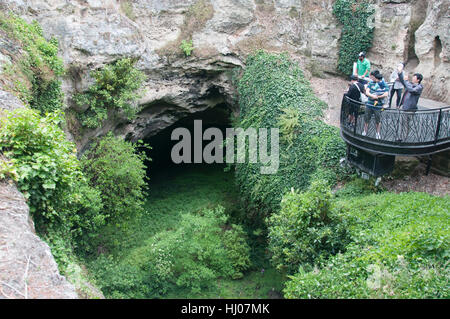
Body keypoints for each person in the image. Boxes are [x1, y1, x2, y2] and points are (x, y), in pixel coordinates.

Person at [397, 64, 424, 140]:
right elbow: (403, 81)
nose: (412, 79)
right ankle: (401, 137)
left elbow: (412, 90)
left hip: (410, 109)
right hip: (405, 107)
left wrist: (406, 81)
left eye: (414, 78)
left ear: (418, 80)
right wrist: (400, 73)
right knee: (402, 123)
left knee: (406, 124)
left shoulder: (419, 87)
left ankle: (404, 138)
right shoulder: (410, 84)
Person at [362, 71, 389, 139]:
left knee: (378, 120)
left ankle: (377, 133)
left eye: (372, 77)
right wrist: (372, 96)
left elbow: (386, 94)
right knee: (366, 118)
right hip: (369, 104)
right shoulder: (371, 83)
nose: (371, 78)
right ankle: (365, 131)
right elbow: (367, 92)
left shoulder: (384, 84)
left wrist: (378, 97)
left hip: (378, 106)